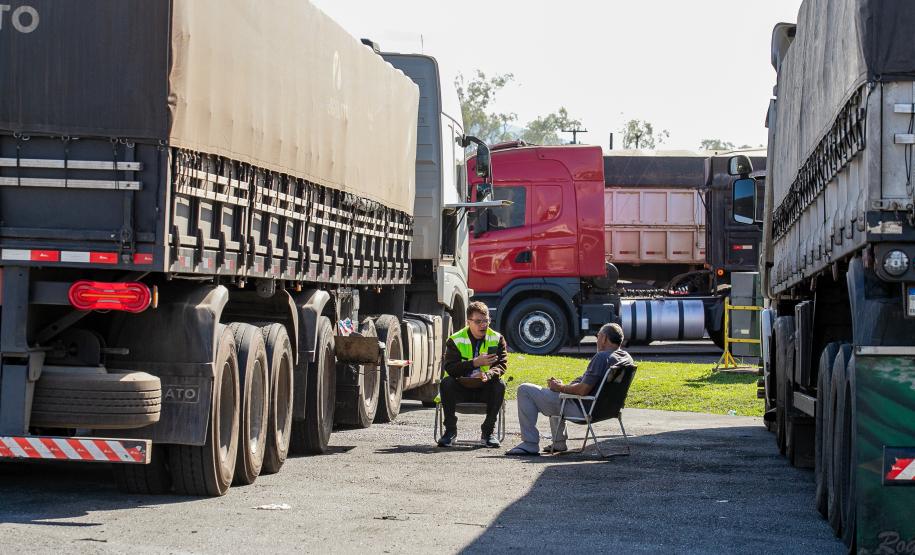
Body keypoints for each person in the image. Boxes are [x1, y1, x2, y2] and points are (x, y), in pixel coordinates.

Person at [506, 322, 632, 456]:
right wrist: (563, 387)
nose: (597, 340)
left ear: (605, 338)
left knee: (525, 390)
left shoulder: (602, 357)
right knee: (555, 392)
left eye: (598, 336)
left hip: (583, 409)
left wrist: (560, 387)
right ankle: (558, 443)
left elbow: (583, 390)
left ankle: (529, 443)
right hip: (607, 410)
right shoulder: (626, 358)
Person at [438, 301, 508, 448]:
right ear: (468, 322)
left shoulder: (497, 338)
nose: (483, 325)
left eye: (486, 320)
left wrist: (488, 374)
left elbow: (501, 365)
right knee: (446, 382)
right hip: (462, 389)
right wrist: (474, 363)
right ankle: (450, 432)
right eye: (478, 321)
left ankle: (488, 433)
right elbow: (450, 368)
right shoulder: (455, 339)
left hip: (485, 388)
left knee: (499, 385)